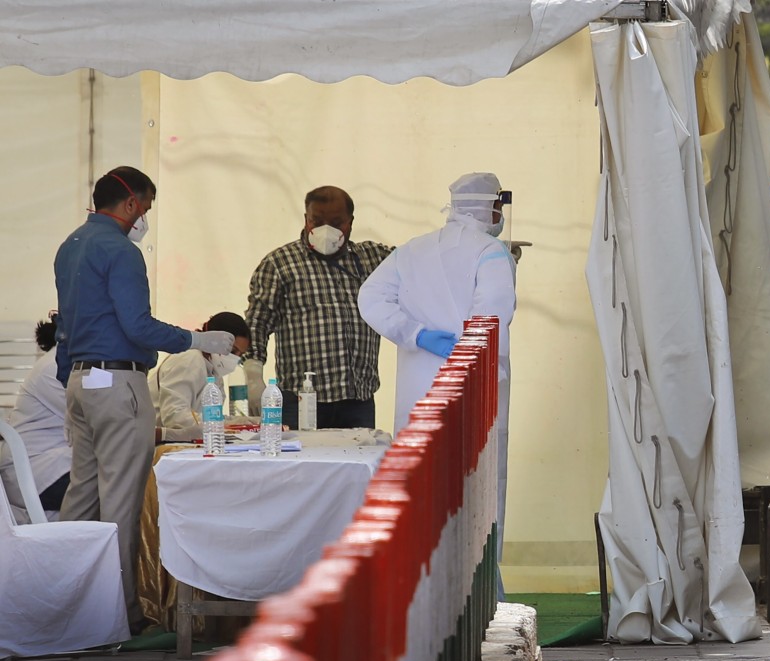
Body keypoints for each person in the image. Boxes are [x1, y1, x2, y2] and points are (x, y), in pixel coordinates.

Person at [54, 166, 235, 634]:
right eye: (147, 208)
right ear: (132, 203)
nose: (145, 218)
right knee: (121, 502)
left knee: (81, 499)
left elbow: (65, 328)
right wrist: (197, 339)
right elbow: (137, 326)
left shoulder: (70, 246)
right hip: (117, 383)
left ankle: (65, 608)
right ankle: (121, 618)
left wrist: (71, 380)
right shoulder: (121, 250)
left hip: (78, 379)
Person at [358, 172, 516, 595]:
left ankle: (422, 593)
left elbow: (370, 299)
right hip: (473, 389)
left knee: (424, 490)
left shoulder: (411, 251)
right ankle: (480, 596)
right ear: (492, 208)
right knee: (476, 490)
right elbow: (493, 316)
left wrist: (416, 335)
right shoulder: (491, 252)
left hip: (419, 391)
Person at [244, 186, 393, 430]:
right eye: (317, 220)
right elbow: (257, 323)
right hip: (301, 399)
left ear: (350, 223)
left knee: (357, 465)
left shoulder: (372, 259)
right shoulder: (280, 263)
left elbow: (414, 266)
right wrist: (253, 374)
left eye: (336, 222)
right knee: (302, 465)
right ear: (306, 219)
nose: (326, 230)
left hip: (358, 399)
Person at [0, 316, 71, 520]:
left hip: (46, 466)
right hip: (38, 473)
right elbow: (99, 422)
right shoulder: (55, 367)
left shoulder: (60, 361)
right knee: (120, 482)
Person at [150, 312, 251, 442]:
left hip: (186, 440)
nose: (235, 359)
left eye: (240, 355)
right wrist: (223, 427)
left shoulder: (213, 369)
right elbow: (175, 416)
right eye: (232, 351)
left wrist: (245, 423)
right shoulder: (189, 358)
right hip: (160, 442)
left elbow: (212, 417)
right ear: (216, 339)